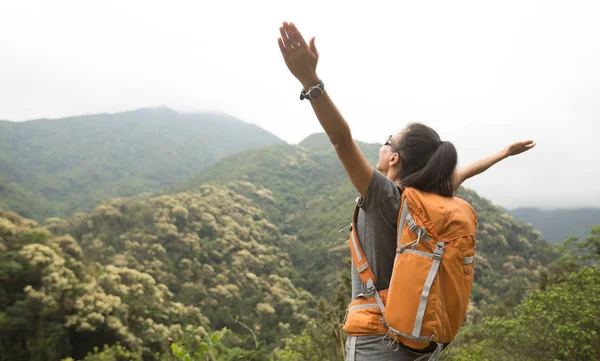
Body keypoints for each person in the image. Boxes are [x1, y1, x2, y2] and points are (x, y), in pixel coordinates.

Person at [277, 21, 536, 361]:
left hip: (376, 342)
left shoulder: (384, 196)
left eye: (388, 140)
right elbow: (463, 173)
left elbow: (341, 139)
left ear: (394, 157)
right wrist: (503, 153)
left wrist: (309, 81)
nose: (382, 145)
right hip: (421, 343)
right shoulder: (426, 203)